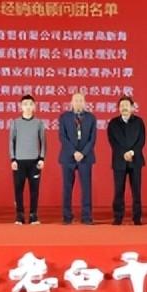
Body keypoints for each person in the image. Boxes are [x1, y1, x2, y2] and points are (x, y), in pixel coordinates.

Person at [58, 92, 97, 225]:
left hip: (85, 157)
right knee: (67, 187)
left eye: (81, 100)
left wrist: (83, 153)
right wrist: (74, 152)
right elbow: (62, 137)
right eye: (76, 100)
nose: (78, 103)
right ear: (71, 102)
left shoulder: (91, 118)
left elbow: (92, 139)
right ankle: (67, 216)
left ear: (85, 103)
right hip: (68, 157)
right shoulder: (64, 117)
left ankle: (86, 216)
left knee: (86, 188)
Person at [107, 96, 145, 225]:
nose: (124, 108)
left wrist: (132, 152)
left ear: (132, 107)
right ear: (118, 108)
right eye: (122, 105)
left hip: (136, 160)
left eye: (127, 105)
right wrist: (124, 153)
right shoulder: (113, 123)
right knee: (118, 190)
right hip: (119, 160)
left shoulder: (139, 122)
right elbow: (113, 142)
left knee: (136, 191)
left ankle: (137, 217)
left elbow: (141, 141)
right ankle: (118, 217)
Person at [10, 94, 46, 225]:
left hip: (34, 161)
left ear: (34, 106)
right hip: (19, 161)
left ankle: (33, 215)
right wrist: (13, 159)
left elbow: (43, 142)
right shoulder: (15, 123)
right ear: (21, 107)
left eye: (30, 104)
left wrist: (41, 158)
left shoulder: (39, 123)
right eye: (25, 104)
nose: (28, 107)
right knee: (18, 190)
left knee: (34, 190)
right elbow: (11, 142)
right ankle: (19, 215)